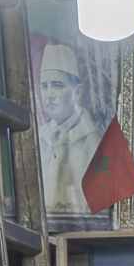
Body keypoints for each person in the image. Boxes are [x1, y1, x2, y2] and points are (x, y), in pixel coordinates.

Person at [36, 40, 110, 218]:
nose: (50, 95)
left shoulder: (93, 140)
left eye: (57, 86)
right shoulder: (41, 137)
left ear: (77, 92)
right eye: (44, 87)